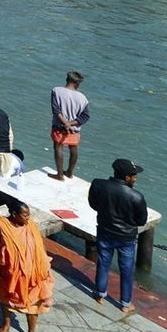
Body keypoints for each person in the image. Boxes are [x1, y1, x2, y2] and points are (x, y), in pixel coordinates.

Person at [0, 196, 54, 332]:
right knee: (6, 298)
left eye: (28, 214)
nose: (28, 218)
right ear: (14, 214)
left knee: (34, 304)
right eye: (25, 215)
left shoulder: (31, 225)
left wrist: (44, 263)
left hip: (34, 275)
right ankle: (6, 322)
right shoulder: (0, 225)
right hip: (10, 272)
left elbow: (40, 245)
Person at [89, 158, 148, 309]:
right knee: (126, 270)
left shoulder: (98, 184)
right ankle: (125, 303)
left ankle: (100, 293)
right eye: (134, 175)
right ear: (126, 177)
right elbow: (141, 221)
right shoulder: (137, 196)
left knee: (103, 263)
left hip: (105, 231)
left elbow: (93, 204)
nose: (136, 178)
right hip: (126, 238)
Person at [50, 71, 91, 181]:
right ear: (77, 83)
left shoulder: (56, 91)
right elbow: (85, 117)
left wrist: (65, 123)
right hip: (74, 129)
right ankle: (69, 172)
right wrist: (71, 123)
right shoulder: (83, 98)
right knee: (73, 148)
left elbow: (56, 111)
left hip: (59, 126)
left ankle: (59, 175)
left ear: (67, 79)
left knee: (58, 146)